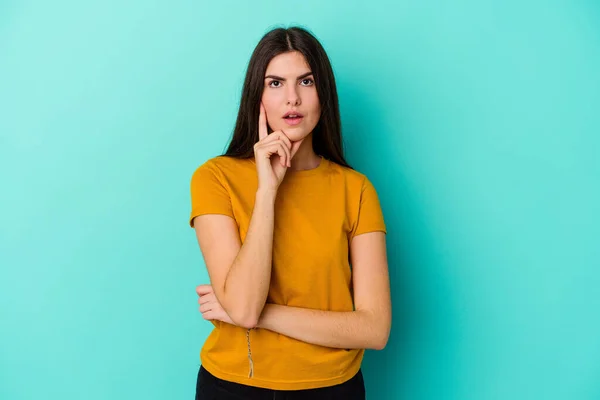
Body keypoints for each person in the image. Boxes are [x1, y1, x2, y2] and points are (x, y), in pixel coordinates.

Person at [189, 26, 391, 400]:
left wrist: (263, 313)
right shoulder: (215, 178)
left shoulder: (356, 190)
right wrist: (267, 191)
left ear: (323, 94)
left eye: (306, 81)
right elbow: (244, 310)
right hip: (233, 387)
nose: (293, 99)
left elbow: (375, 329)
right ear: (258, 97)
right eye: (276, 83)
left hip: (333, 389)